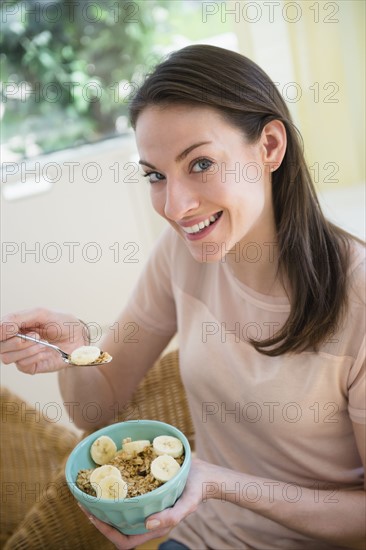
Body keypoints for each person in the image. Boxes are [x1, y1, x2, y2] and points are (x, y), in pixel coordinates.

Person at [0, 45, 365, 550]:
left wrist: (221, 483)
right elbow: (96, 410)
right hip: (193, 537)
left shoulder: (358, 298)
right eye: (155, 175)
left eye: (200, 164)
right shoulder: (179, 255)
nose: (174, 206)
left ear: (270, 147)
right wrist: (76, 349)